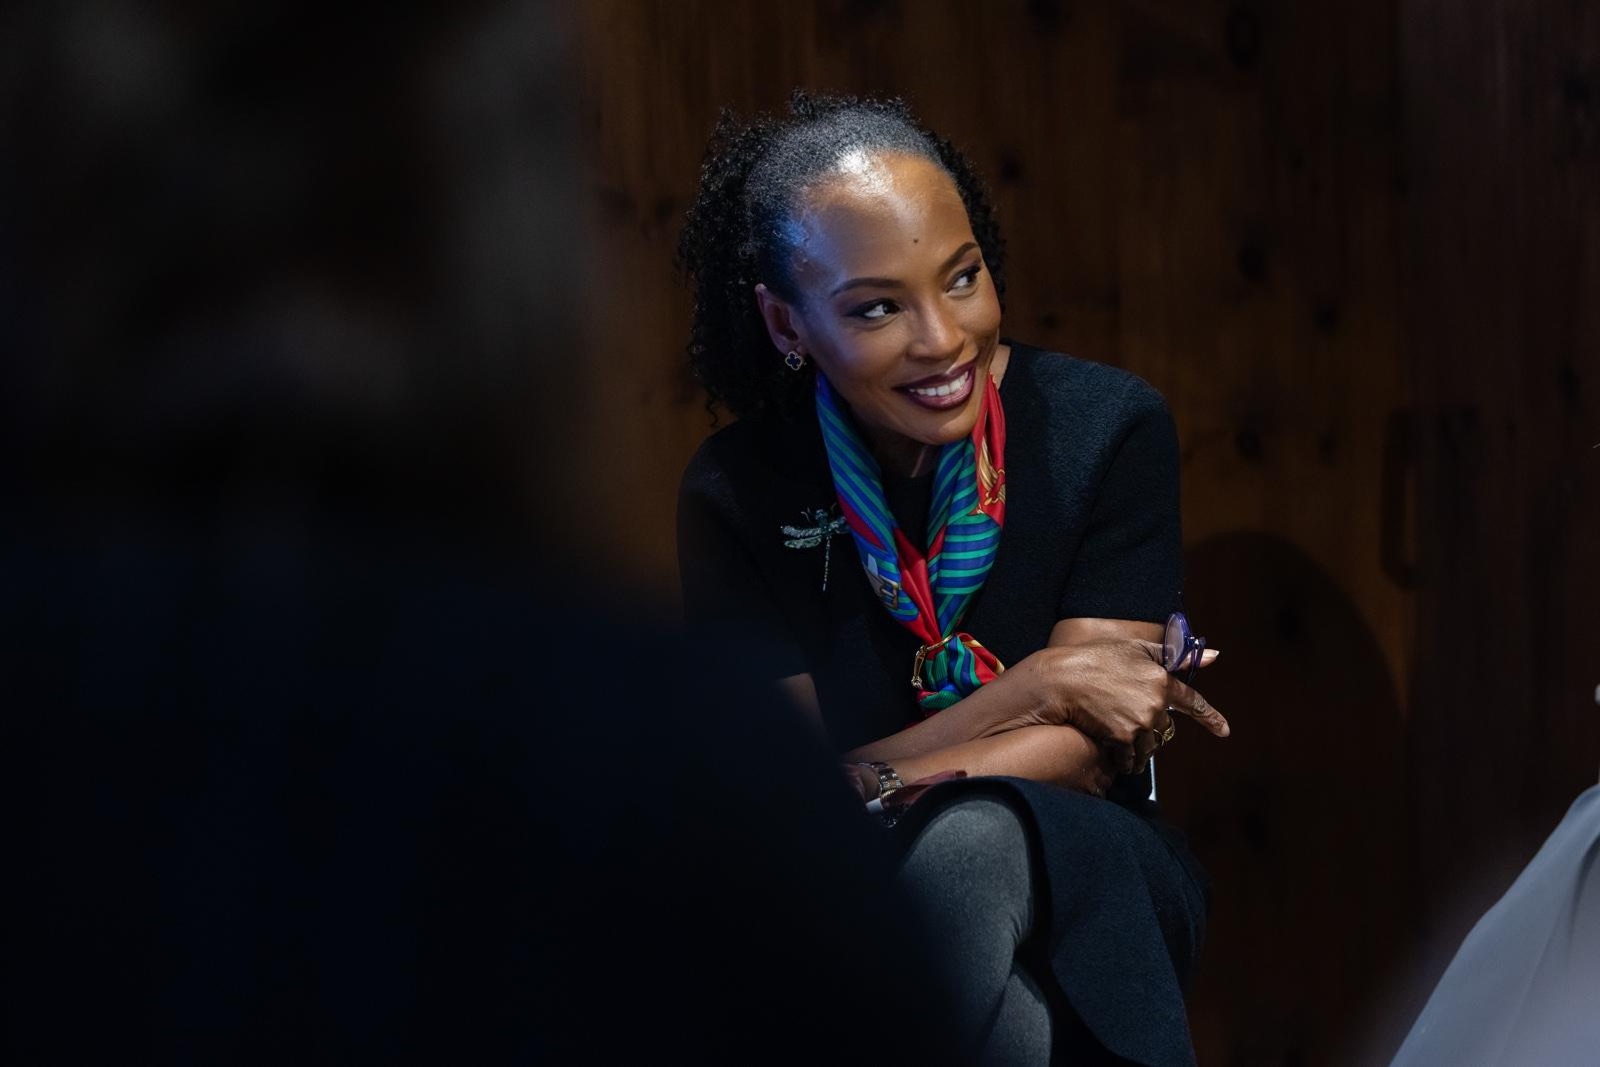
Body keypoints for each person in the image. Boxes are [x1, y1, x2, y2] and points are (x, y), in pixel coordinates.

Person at [676, 92, 1231, 1066]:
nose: (941, 339)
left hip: (1089, 866)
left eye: (962, 278)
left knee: (965, 846)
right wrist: (1035, 683)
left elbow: (1089, 746)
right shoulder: (736, 490)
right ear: (785, 321)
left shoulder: (1107, 426)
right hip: (843, 888)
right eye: (877, 308)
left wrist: (874, 778)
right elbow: (783, 799)